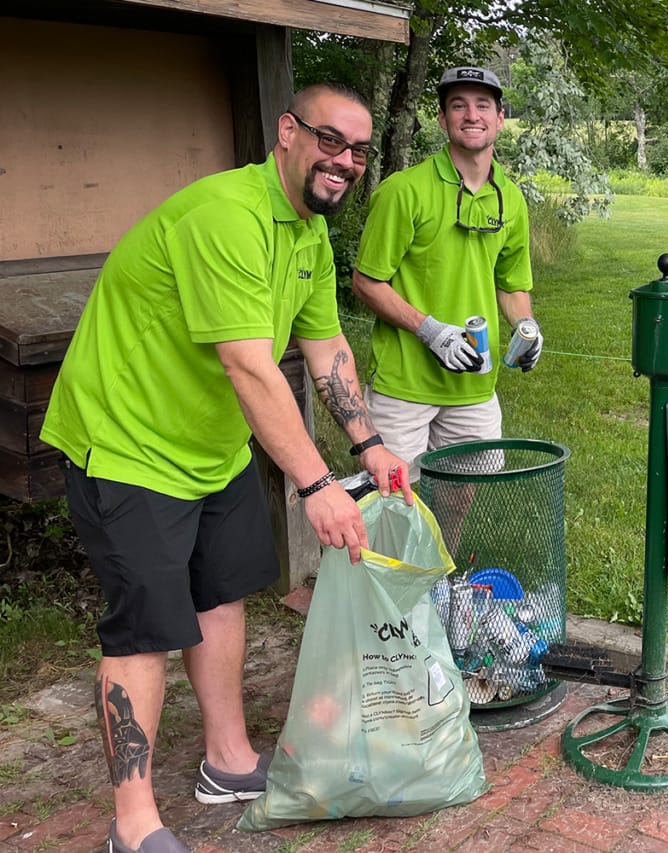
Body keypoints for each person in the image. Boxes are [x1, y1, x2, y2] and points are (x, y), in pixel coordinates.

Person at [39, 82, 410, 853]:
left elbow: (326, 347)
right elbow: (250, 368)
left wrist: (367, 444)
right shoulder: (227, 217)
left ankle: (229, 760)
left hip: (212, 447)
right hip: (129, 444)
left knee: (221, 594)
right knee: (144, 627)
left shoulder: (306, 235)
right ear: (288, 132)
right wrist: (316, 486)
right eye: (330, 140)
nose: (344, 160)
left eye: (359, 150)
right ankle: (133, 823)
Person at [351, 65, 541, 485]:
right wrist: (429, 330)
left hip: (474, 384)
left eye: (482, 105)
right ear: (442, 118)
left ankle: (447, 556)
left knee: (461, 495)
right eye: (458, 105)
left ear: (499, 118)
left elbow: (512, 283)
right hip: (404, 385)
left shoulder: (510, 199)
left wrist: (525, 324)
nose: (471, 115)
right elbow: (366, 282)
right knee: (394, 504)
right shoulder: (404, 191)